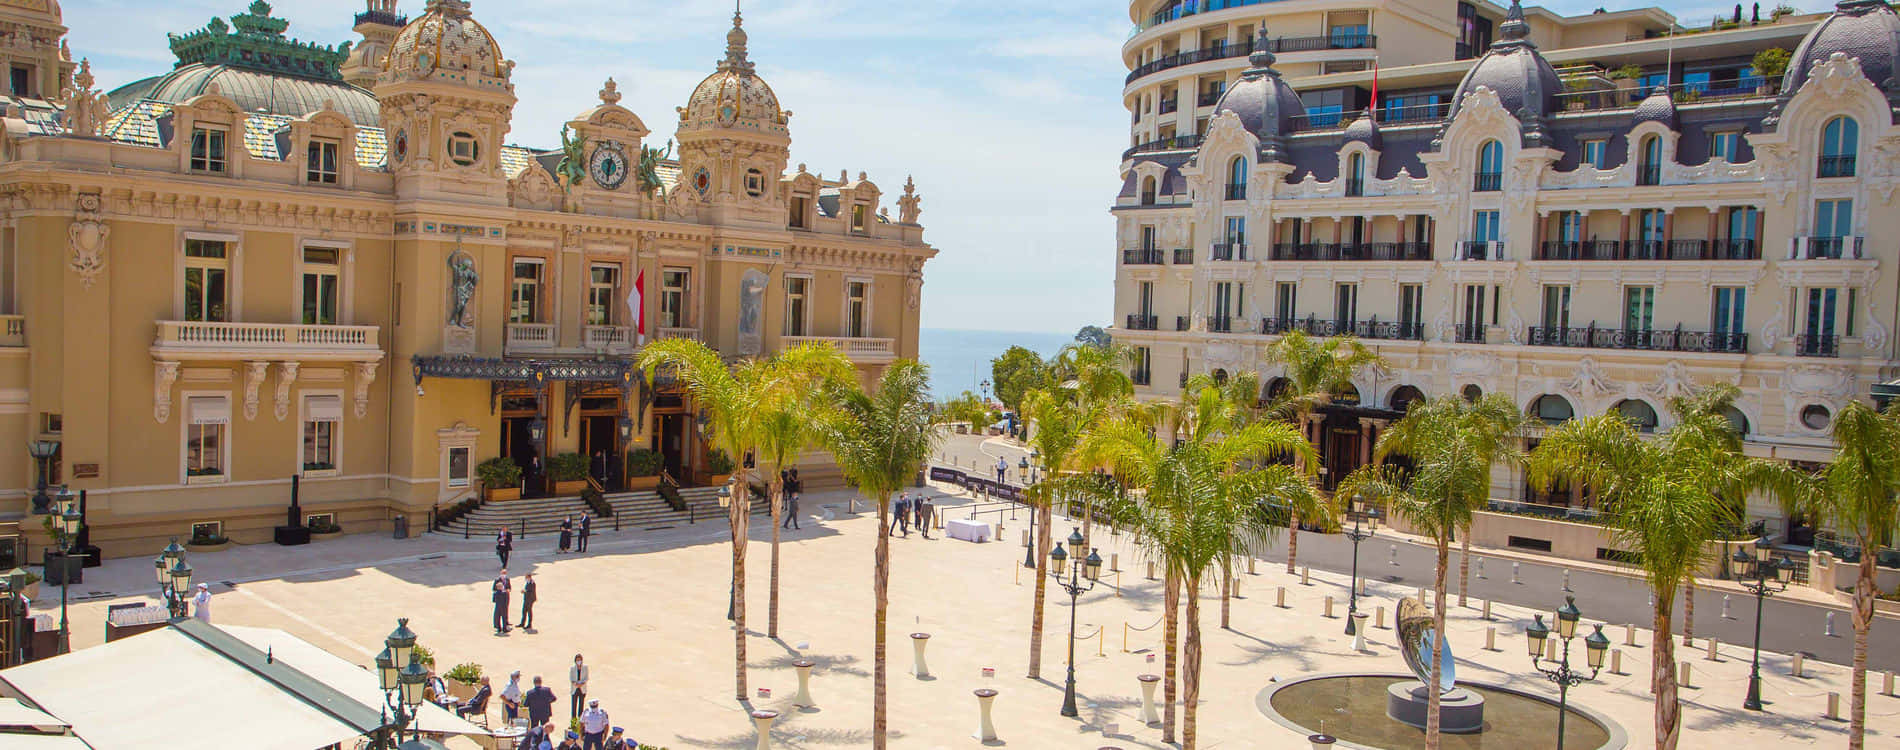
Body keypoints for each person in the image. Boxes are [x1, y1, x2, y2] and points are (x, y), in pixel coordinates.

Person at [568, 654, 589, 720]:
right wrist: (576, 684)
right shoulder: (572, 668)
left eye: (580, 660)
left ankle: (580, 723)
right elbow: (571, 678)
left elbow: (586, 677)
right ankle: (573, 724)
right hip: (575, 689)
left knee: (581, 707)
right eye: (577, 660)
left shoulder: (585, 667)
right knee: (574, 707)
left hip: (582, 689)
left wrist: (581, 684)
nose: (579, 661)